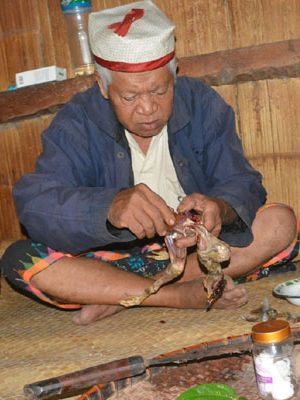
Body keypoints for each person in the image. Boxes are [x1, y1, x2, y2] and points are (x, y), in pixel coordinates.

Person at [1, 0, 298, 325]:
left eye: (159, 91)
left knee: (280, 222)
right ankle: (176, 296)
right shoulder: (77, 122)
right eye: (129, 97)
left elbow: (243, 182)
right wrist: (107, 208)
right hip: (111, 261)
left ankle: (122, 296)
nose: (147, 109)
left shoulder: (203, 104)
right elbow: (35, 204)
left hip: (192, 258)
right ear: (103, 87)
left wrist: (219, 208)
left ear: (175, 75)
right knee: (20, 259)